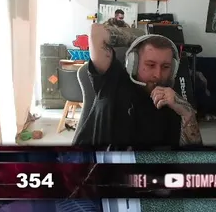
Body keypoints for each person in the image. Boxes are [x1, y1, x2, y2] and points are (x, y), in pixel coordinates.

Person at [73, 24, 202, 149]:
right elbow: (97, 32)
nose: (158, 75)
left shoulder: (172, 102)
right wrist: (140, 40)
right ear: (133, 63)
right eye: (150, 65)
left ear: (173, 70)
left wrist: (186, 112)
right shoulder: (113, 79)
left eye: (166, 67)